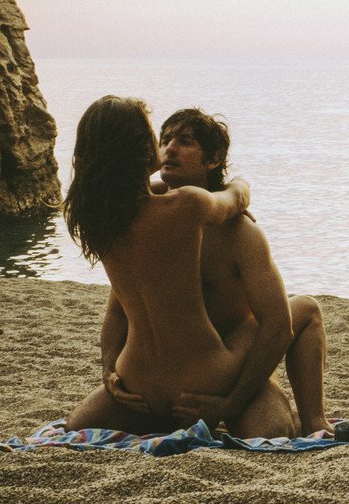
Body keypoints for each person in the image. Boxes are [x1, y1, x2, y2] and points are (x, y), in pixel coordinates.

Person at [96, 107, 329, 438]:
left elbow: (276, 327)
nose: (169, 149)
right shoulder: (149, 218)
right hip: (174, 371)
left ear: (213, 159)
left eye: (185, 141)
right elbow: (118, 310)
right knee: (79, 422)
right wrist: (109, 371)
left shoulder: (239, 232)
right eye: (165, 140)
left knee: (273, 428)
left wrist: (232, 402)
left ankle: (314, 420)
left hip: (235, 366)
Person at [62, 95, 262, 436]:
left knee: (75, 426)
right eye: (154, 133)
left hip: (137, 381)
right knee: (281, 315)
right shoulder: (186, 205)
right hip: (201, 377)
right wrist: (238, 183)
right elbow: (236, 199)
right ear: (142, 147)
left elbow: (115, 314)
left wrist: (108, 371)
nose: (164, 144)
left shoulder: (100, 218)